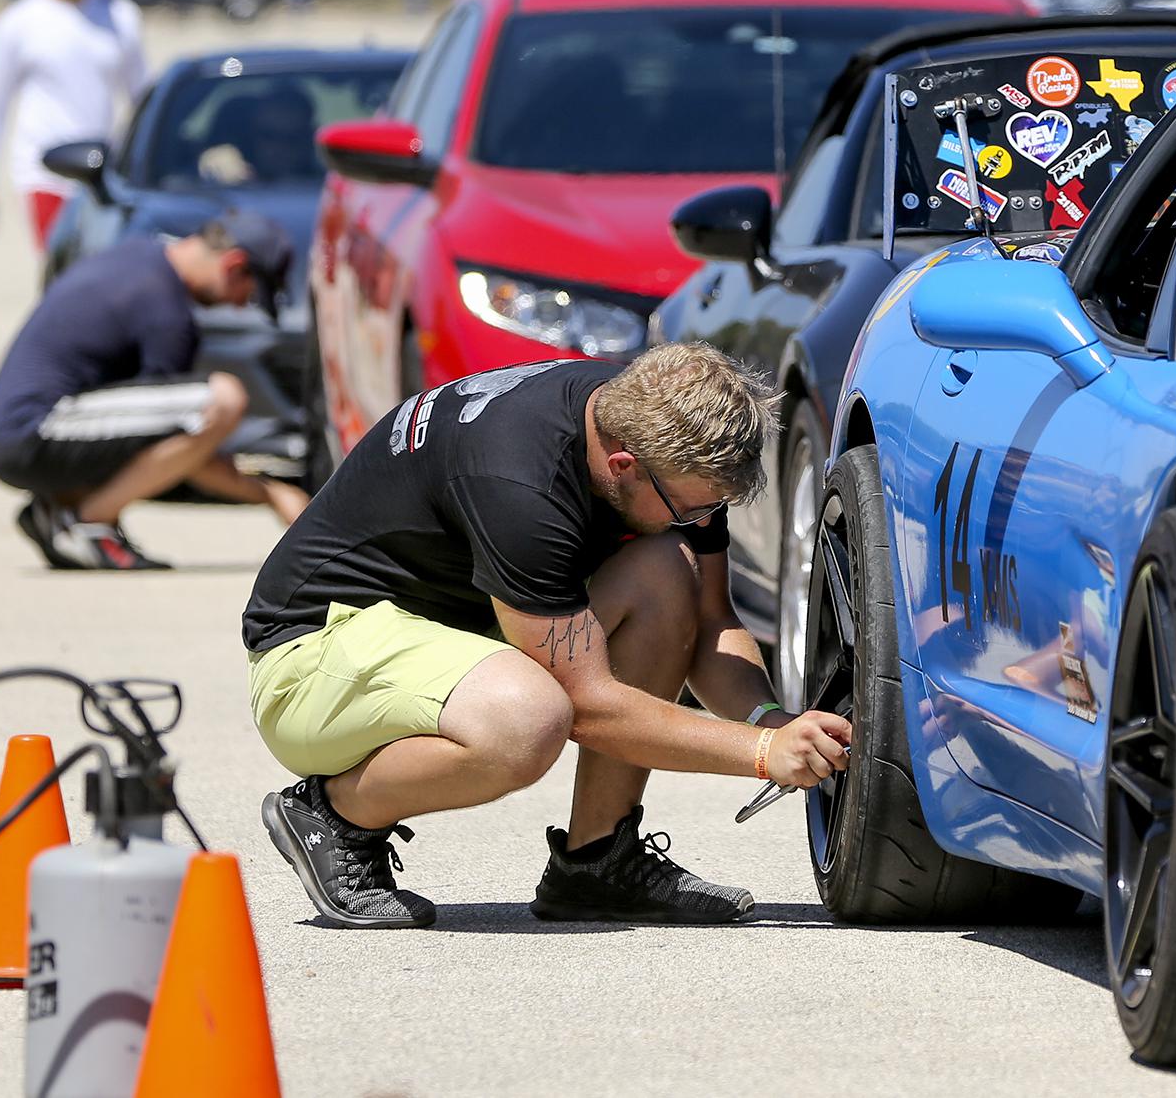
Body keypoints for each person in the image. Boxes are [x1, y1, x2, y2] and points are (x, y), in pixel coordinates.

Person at [241, 345, 851, 929]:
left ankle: (596, 863)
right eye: (687, 510)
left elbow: (714, 623)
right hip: (313, 656)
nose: (696, 521)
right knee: (529, 718)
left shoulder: (652, 422)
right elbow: (588, 703)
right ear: (623, 466)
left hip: (450, 627)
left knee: (669, 571)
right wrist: (763, 755)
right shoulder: (520, 483)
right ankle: (333, 815)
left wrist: (769, 718)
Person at [0, 210, 307, 570]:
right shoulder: (166, 312)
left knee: (185, 413)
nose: (241, 307)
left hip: (12, 433)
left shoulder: (138, 257)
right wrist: (272, 493)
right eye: (250, 294)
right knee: (222, 400)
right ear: (233, 265)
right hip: (31, 431)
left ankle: (63, 505)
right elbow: (186, 449)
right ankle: (86, 522)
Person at [0, 0, 148, 248]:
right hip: (45, 173)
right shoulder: (20, 22)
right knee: (66, 278)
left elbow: (142, 100)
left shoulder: (121, 16)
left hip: (103, 175)